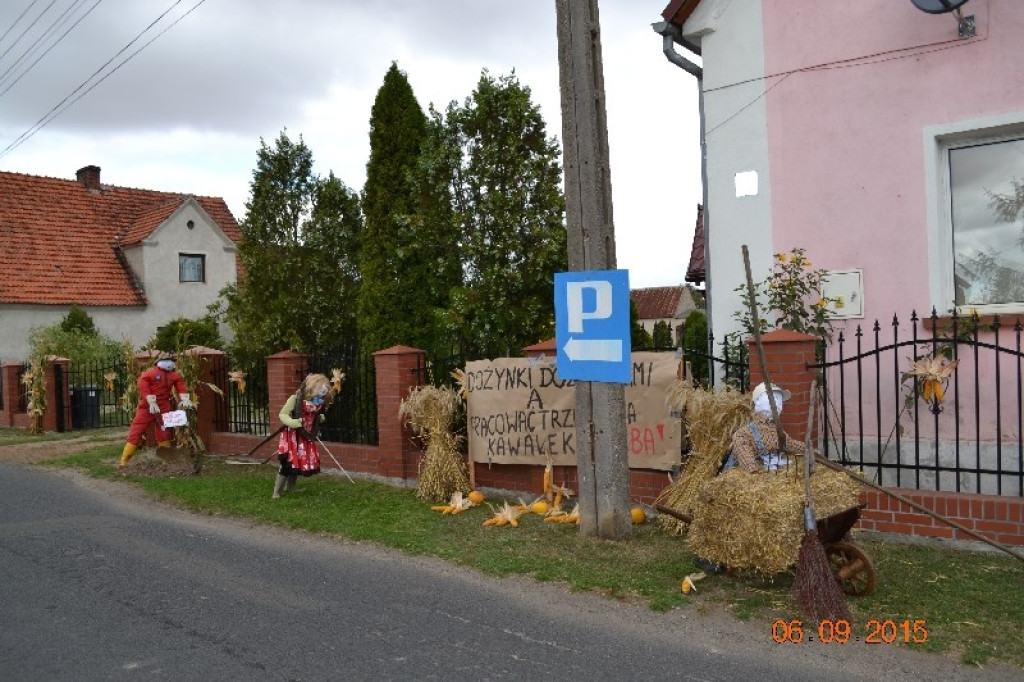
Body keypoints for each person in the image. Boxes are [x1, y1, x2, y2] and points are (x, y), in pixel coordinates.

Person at [120, 353, 192, 467]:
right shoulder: (151, 373)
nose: (170, 363)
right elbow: (142, 383)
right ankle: (124, 461)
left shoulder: (174, 376)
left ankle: (166, 460)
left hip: (163, 408)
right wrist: (150, 400)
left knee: (164, 433)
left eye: (172, 361)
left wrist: (185, 398)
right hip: (146, 408)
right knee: (136, 431)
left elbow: (180, 386)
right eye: (168, 360)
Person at [273, 373, 333, 498]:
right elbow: (283, 414)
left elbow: (313, 415)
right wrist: (293, 422)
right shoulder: (295, 399)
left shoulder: (317, 402)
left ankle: (291, 487)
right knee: (287, 464)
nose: (323, 391)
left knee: (297, 463)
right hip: (292, 438)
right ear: (312, 386)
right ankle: (276, 492)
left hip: (305, 437)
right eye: (320, 387)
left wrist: (319, 418)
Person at [722, 382, 802, 473]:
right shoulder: (743, 434)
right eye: (774, 397)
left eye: (780, 399)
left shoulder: (776, 431)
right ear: (758, 401)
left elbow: (791, 444)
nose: (778, 403)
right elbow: (750, 468)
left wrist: (810, 450)